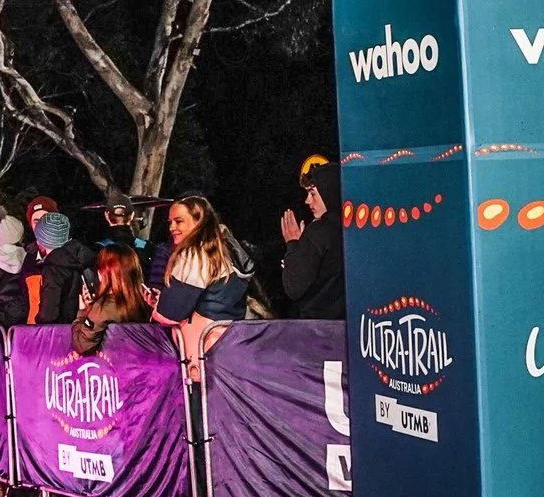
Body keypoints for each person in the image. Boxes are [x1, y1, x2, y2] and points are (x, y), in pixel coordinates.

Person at [150, 194, 253, 377]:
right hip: (232, 349)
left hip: (201, 356)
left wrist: (157, 306)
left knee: (200, 404)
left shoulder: (193, 255)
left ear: (198, 221)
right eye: (170, 222)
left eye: (179, 221)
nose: (172, 227)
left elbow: (169, 313)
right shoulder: (224, 250)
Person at [276, 159, 347, 321]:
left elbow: (294, 287)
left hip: (318, 331)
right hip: (351, 327)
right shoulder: (354, 229)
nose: (307, 200)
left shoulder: (318, 232)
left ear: (329, 192)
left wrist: (293, 245)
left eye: (313, 193)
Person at [70, 245, 152, 355]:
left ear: (101, 274)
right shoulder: (147, 302)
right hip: (146, 366)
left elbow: (82, 346)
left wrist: (83, 312)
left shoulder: (103, 307)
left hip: (114, 368)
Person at [26, 211, 97, 327]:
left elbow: (49, 313)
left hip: (59, 333)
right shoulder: (82, 257)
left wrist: (38, 322)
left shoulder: (53, 267)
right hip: (82, 329)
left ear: (42, 238)